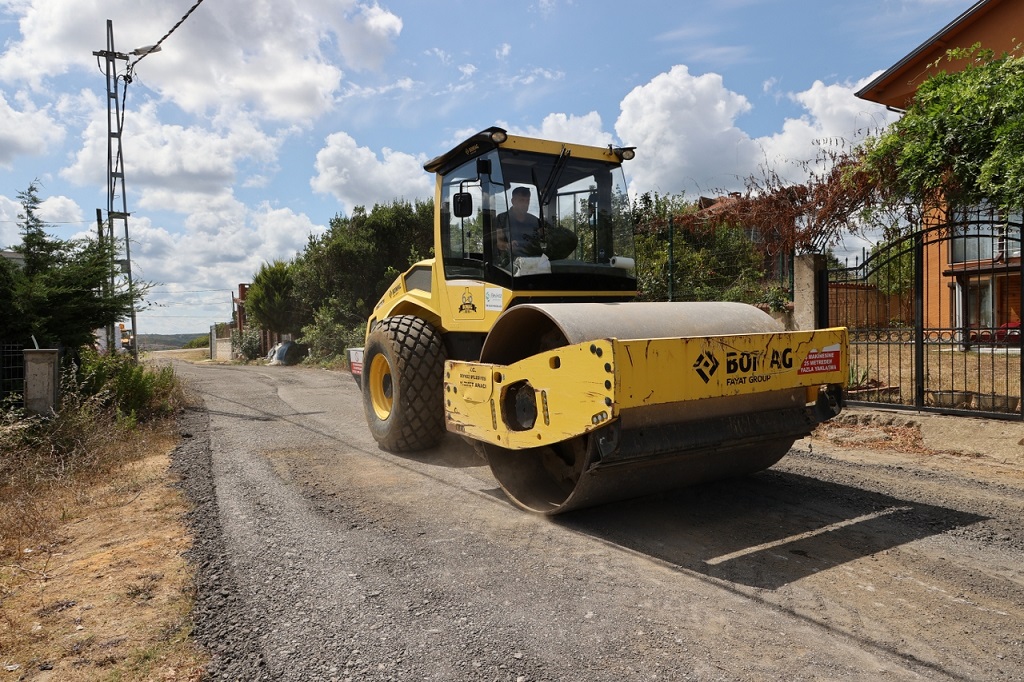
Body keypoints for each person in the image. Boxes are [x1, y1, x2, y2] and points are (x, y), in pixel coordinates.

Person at [496, 186, 544, 260]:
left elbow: (545, 238)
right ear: (513, 201)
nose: (525, 204)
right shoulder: (502, 218)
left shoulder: (535, 221)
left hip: (534, 262)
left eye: (527, 201)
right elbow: (498, 242)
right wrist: (508, 246)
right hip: (509, 264)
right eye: (522, 200)